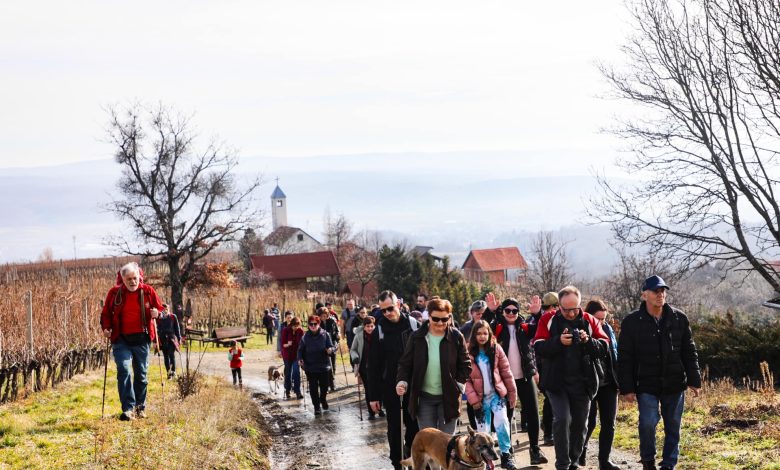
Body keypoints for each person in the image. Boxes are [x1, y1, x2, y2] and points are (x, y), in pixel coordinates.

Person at [618, 276, 701, 470]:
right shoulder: (631, 322)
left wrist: (694, 380)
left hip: (674, 383)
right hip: (646, 383)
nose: (660, 294)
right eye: (656, 291)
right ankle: (648, 461)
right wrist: (627, 388)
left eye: (663, 290)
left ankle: (669, 464)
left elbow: (689, 351)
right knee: (648, 422)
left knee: (673, 426)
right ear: (644, 295)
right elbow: (625, 358)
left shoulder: (679, 318)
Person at [534, 285, 610, 470]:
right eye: (566, 309)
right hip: (556, 382)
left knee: (580, 424)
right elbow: (538, 346)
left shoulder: (589, 320)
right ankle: (562, 464)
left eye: (575, 308)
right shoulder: (548, 319)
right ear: (559, 306)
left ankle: (573, 462)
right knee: (562, 419)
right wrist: (558, 342)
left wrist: (588, 341)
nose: (571, 313)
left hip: (584, 383)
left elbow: (604, 347)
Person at [396, 298, 471, 435]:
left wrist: (459, 384)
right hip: (424, 398)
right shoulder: (417, 337)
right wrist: (402, 381)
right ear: (428, 316)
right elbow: (405, 364)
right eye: (436, 319)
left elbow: (465, 364)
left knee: (446, 442)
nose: (440, 323)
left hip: (448, 397)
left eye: (445, 319)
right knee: (429, 441)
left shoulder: (456, 337)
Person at [100, 262, 163, 421]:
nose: (132, 282)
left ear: (139, 277)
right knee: (124, 369)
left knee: (141, 374)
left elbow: (160, 310)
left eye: (135, 278)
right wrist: (106, 328)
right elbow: (106, 313)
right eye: (129, 279)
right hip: (121, 339)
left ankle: (140, 407)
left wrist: (157, 313)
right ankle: (128, 409)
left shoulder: (147, 291)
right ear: (122, 279)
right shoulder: (115, 293)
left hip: (142, 338)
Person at [365, 290, 420, 470]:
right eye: (383, 310)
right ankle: (397, 462)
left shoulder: (413, 325)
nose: (388, 313)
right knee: (395, 428)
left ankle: (411, 455)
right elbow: (372, 366)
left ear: (398, 304)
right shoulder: (378, 331)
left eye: (390, 308)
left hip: (414, 386)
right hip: (389, 387)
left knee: (414, 427)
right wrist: (373, 397)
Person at [492, 298, 548, 465]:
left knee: (532, 413)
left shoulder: (524, 328)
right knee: (505, 418)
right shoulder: (498, 327)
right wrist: (492, 311)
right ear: (502, 312)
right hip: (504, 380)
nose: (511, 313)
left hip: (525, 377)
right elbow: (486, 328)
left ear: (518, 313)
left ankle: (535, 450)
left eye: (514, 311)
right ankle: (506, 454)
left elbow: (540, 328)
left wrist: (537, 314)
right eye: (507, 310)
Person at [465, 320, 518, 470]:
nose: (482, 336)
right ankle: (487, 462)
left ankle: (506, 455)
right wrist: (473, 399)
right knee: (483, 431)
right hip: (480, 400)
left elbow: (506, 372)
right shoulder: (468, 353)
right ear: (474, 335)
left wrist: (512, 394)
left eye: (485, 333)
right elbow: (465, 379)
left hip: (496, 396)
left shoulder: (496, 349)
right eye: (478, 333)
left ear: (489, 334)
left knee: (502, 423)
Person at [579, 299, 621, 470]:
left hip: (609, 383)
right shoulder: (581, 331)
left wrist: (620, 380)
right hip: (589, 383)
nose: (602, 322)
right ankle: (581, 451)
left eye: (605, 319)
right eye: (599, 319)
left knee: (609, 423)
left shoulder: (608, 330)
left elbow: (615, 356)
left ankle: (604, 461)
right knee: (589, 422)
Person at [527, 291, 559, 445]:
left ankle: (549, 428)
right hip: (541, 366)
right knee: (550, 398)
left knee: (552, 399)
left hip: (551, 365)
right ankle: (548, 431)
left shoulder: (559, 320)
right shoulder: (536, 320)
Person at [297, 310, 335, 416]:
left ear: (319, 324)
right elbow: (300, 350)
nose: (313, 326)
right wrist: (300, 359)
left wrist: (330, 350)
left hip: (324, 366)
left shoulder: (325, 334)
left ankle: (323, 399)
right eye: (311, 324)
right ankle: (317, 407)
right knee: (313, 388)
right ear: (308, 325)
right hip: (310, 366)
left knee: (324, 387)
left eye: (315, 324)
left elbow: (331, 346)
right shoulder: (305, 337)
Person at [350, 316, 385, 419]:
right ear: (364, 327)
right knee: (369, 389)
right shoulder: (359, 336)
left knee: (379, 389)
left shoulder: (378, 335)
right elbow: (353, 349)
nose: (370, 328)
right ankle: (371, 412)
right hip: (365, 368)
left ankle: (379, 409)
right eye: (368, 326)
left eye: (372, 326)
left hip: (378, 367)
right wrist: (355, 358)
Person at [155, 303, 181, 379]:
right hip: (163, 339)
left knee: (171, 355)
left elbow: (177, 329)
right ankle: (168, 373)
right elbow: (156, 329)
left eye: (166, 309)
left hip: (171, 339)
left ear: (168, 309)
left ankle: (173, 372)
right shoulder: (159, 319)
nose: (165, 311)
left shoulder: (173, 317)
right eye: (163, 310)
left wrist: (178, 339)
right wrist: (155, 340)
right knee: (166, 356)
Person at [281, 316, 304, 400]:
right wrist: (288, 344)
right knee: (288, 373)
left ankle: (297, 391)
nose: (295, 328)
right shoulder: (286, 330)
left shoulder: (300, 331)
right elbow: (282, 344)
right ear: (291, 325)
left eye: (297, 326)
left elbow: (303, 344)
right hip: (287, 355)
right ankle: (287, 390)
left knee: (296, 372)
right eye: (294, 326)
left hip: (296, 355)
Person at [319, 307, 341, 391]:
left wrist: (338, 336)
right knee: (327, 366)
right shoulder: (318, 323)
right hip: (323, 347)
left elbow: (336, 331)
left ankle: (331, 383)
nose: (323, 318)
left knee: (333, 365)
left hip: (332, 345)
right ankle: (329, 384)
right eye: (322, 316)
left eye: (325, 316)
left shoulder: (332, 321)